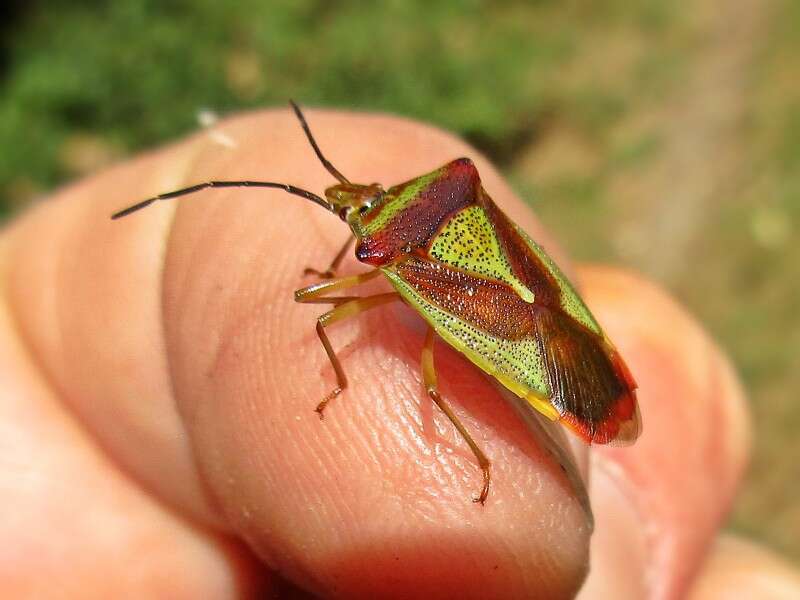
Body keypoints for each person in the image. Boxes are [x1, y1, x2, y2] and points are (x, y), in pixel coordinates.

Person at [2, 109, 798, 599]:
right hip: (537, 313)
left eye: (355, 215)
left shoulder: (394, 258)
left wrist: (336, 344)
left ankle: (487, 462)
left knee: (409, 371)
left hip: (502, 328)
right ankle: (540, 432)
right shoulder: (439, 199)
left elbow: (320, 312)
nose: (352, 216)